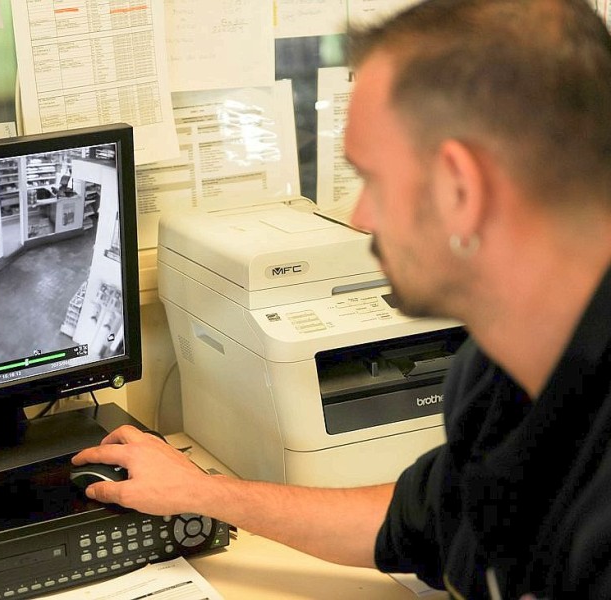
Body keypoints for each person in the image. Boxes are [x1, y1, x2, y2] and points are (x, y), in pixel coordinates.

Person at [72, 0, 611, 597]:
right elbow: (416, 523)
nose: (360, 216)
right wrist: (202, 493)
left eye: (373, 180)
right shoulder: (498, 374)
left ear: (461, 188)